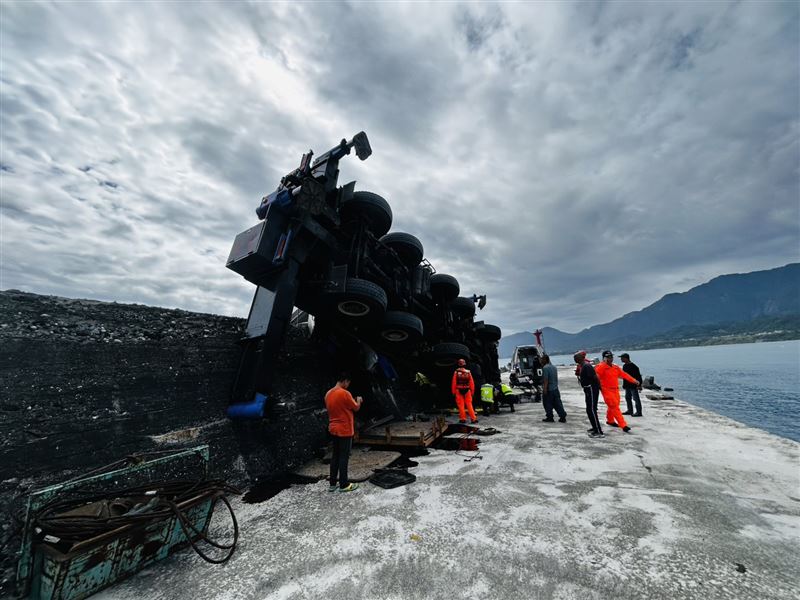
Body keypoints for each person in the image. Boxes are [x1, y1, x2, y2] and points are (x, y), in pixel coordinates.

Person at [324, 372, 363, 492]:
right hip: (344, 429)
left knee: (335, 456)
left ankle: (332, 484)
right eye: (348, 382)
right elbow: (355, 407)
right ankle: (344, 484)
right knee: (344, 457)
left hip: (333, 428)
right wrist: (358, 400)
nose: (348, 385)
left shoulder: (328, 393)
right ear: (345, 381)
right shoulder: (344, 393)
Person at [595, 350, 639, 433]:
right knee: (614, 406)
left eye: (611, 357)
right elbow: (596, 377)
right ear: (604, 358)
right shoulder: (601, 367)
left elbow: (624, 374)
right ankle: (623, 425)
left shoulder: (615, 367)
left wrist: (634, 380)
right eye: (608, 357)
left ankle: (610, 420)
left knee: (613, 406)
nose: (610, 359)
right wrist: (598, 387)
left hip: (615, 389)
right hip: (606, 390)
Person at [574, 350, 603, 437]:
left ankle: (598, 431)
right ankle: (594, 427)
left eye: (576, 357)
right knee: (589, 410)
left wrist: (598, 387)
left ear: (581, 358)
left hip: (591, 389)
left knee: (592, 409)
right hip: (588, 389)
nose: (575, 359)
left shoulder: (587, 366)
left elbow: (595, 377)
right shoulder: (582, 366)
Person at [540, 354, 566, 423]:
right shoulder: (554, 367)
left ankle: (550, 417)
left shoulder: (545, 368)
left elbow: (546, 380)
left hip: (549, 389)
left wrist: (545, 389)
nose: (541, 361)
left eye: (542, 359)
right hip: (555, 388)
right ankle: (562, 416)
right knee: (558, 404)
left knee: (547, 403)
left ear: (545, 360)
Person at [451, 358, 478, 424]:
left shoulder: (456, 372)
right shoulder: (468, 372)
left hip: (458, 390)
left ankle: (462, 419)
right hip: (467, 390)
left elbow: (454, 383)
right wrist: (472, 392)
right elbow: (471, 383)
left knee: (461, 405)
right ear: (464, 364)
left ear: (458, 364)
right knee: (469, 405)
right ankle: (473, 419)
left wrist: (453, 392)